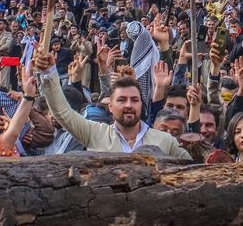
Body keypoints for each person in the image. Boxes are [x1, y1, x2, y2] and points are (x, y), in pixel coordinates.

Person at [35, 50, 191, 161]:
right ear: (110, 106)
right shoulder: (95, 134)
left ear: (141, 105)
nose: (129, 105)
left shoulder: (165, 140)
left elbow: (194, 168)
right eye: (122, 100)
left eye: (134, 100)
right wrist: (49, 72)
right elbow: (62, 112)